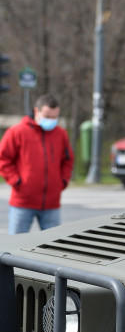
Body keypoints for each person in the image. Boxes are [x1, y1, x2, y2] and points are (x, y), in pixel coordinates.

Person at [0, 94, 74, 234]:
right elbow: (3, 159)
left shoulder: (61, 134)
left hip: (52, 203)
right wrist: (17, 181)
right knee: (16, 246)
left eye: (54, 117)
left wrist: (63, 181)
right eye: (47, 116)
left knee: (53, 247)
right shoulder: (17, 132)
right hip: (22, 202)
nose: (51, 120)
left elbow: (68, 159)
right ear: (36, 112)